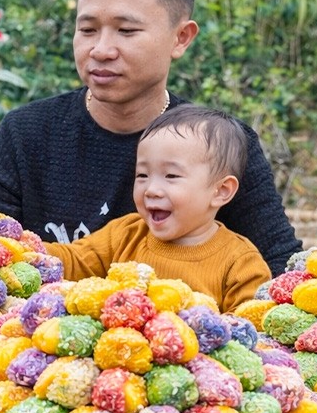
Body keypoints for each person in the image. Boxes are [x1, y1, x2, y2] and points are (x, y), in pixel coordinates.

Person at [0, 0, 301, 275]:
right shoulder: (25, 134)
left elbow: (280, 269)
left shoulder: (220, 145)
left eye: (126, 30)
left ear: (181, 38)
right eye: (87, 29)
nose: (101, 49)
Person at [46, 105, 271, 312]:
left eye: (171, 175)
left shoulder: (241, 263)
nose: (151, 189)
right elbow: (71, 261)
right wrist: (27, 249)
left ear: (221, 190)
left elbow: (249, 328)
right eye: (142, 175)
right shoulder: (125, 234)